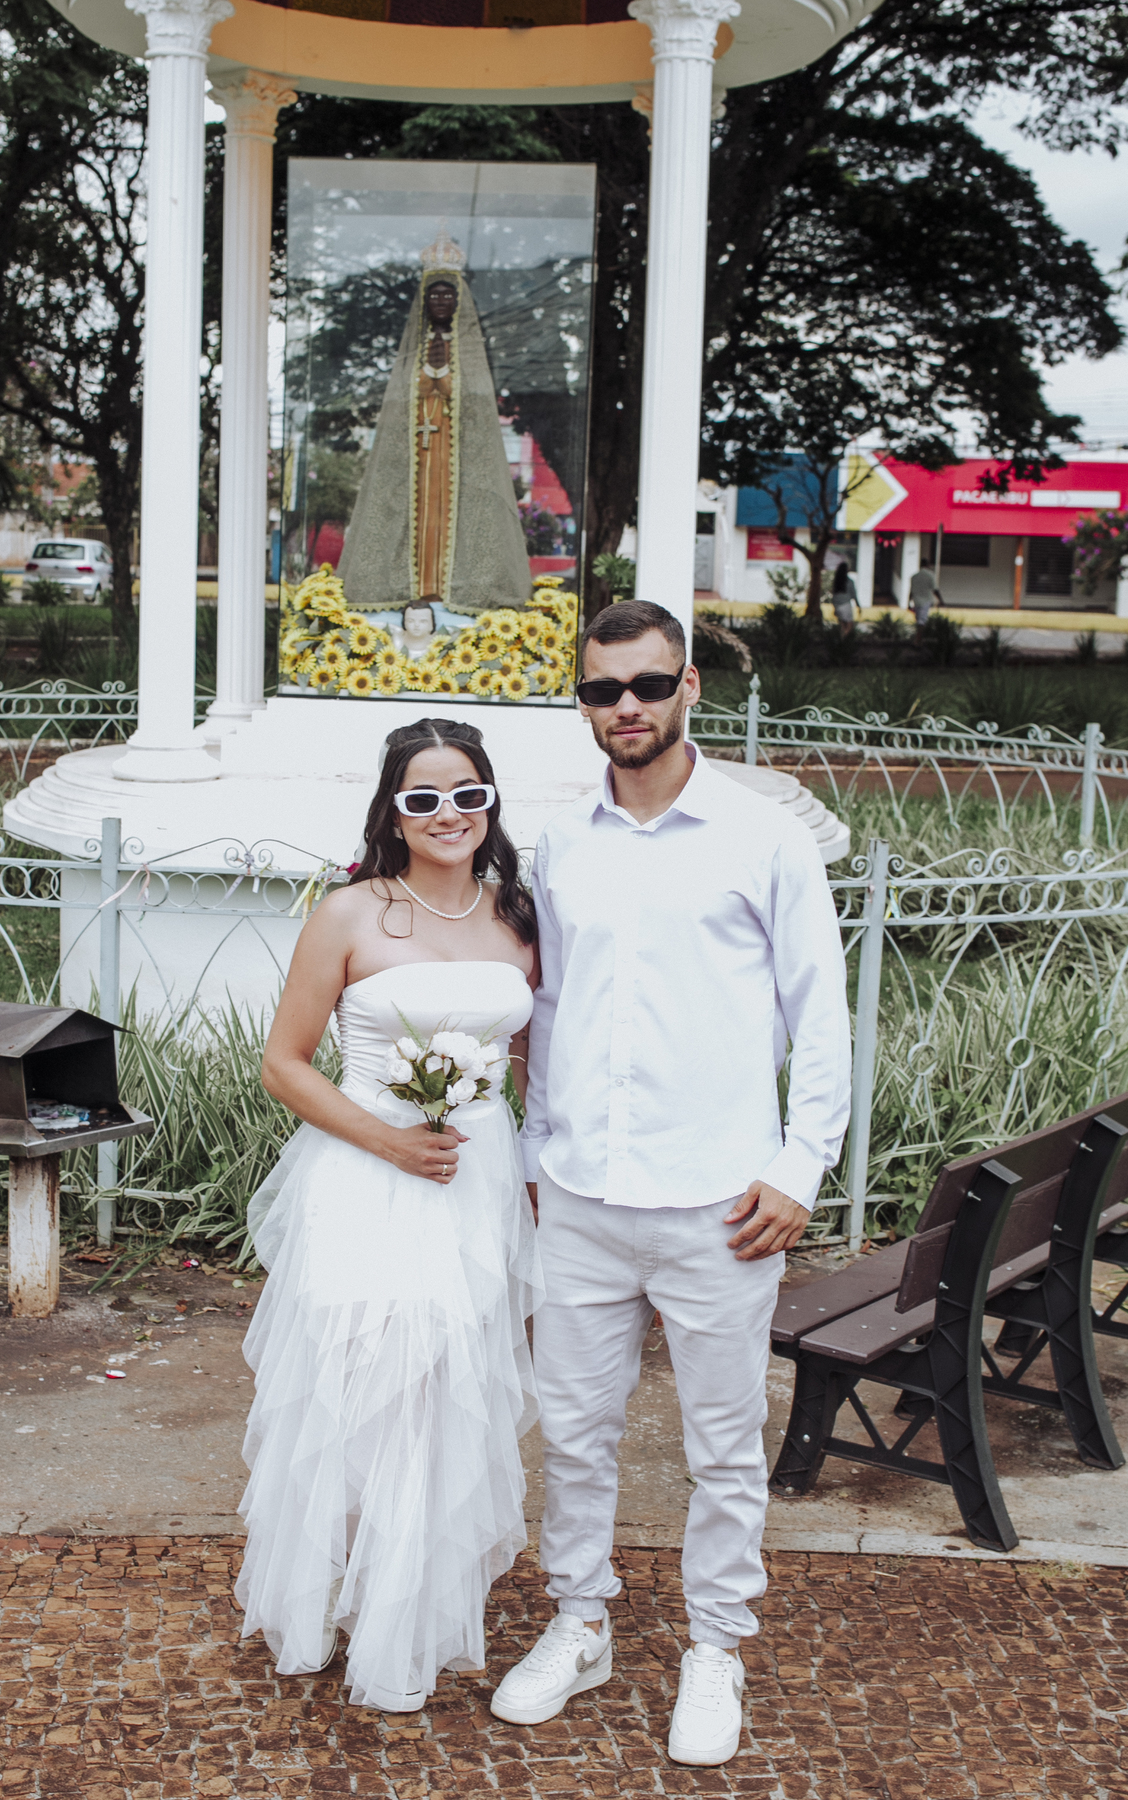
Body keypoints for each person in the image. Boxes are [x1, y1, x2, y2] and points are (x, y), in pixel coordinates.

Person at [490, 601, 851, 1767]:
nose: (628, 707)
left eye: (649, 684)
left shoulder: (764, 837)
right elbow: (545, 1012)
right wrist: (537, 1150)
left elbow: (821, 1016)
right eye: (605, 690)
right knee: (575, 1431)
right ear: (583, 703)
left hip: (722, 1206)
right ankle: (580, 1620)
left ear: (690, 686)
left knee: (723, 1446)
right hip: (581, 1197)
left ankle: (716, 1647)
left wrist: (800, 1166)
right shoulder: (560, 845)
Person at [235, 716, 542, 1710]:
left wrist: (532, 1175)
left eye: (467, 794)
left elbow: (530, 1061)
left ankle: (407, 1615)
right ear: (394, 813)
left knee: (450, 1384)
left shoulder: (517, 918)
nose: (448, 813)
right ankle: (318, 1599)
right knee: (361, 1381)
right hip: (367, 1175)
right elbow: (284, 1064)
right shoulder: (351, 914)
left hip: (475, 1179)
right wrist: (392, 1143)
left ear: (490, 803)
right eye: (424, 798)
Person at [337, 230, 532, 617]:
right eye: (434, 295)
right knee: (417, 515)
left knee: (450, 516)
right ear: (424, 301)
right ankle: (418, 588)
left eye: (448, 295)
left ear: (458, 301)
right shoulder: (413, 351)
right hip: (418, 455)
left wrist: (447, 383)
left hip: (455, 457)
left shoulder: (469, 355)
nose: (441, 301)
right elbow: (401, 404)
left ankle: (447, 589)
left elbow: (476, 407)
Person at [908, 561, 942, 640]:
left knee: (919, 620)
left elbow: (911, 591)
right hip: (926, 600)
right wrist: (940, 600)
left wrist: (908, 603)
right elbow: (935, 589)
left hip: (916, 600)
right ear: (928, 565)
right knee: (922, 621)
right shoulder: (930, 575)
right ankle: (918, 640)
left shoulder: (914, 577)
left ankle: (918, 639)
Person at [830, 560, 858, 634]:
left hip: (837, 605)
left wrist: (835, 608)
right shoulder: (849, 581)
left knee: (842, 626)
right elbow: (853, 594)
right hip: (846, 605)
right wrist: (858, 605)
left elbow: (833, 595)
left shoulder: (836, 582)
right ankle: (845, 639)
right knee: (849, 625)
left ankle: (841, 639)